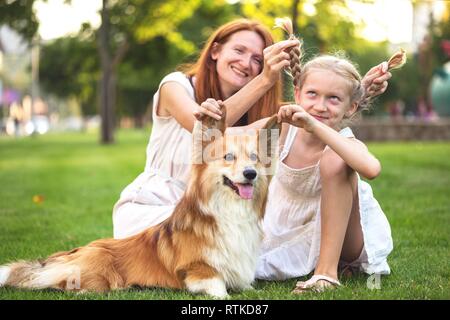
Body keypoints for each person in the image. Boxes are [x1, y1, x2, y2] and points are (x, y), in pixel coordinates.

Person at [196, 54, 393, 293]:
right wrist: (212, 117)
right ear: (297, 94)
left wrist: (314, 126)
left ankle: (326, 273)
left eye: (333, 99)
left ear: (349, 108)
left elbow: (372, 169)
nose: (320, 106)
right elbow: (226, 137)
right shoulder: (283, 129)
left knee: (335, 160)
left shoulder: (344, 142)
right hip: (289, 227)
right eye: (312, 94)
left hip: (348, 239)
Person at [112, 19, 299, 239]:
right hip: (153, 206)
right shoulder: (175, 86)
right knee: (206, 233)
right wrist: (265, 82)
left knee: (270, 236)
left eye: (257, 59)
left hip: (217, 212)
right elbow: (205, 132)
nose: (246, 63)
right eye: (239, 50)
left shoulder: (261, 114)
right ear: (215, 51)